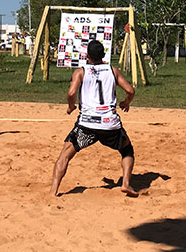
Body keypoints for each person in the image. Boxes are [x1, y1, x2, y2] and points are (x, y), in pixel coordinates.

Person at [51, 39, 138, 197]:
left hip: (87, 124)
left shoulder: (81, 72)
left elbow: (71, 93)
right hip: (110, 124)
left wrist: (71, 106)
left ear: (87, 56)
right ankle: (125, 183)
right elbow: (130, 90)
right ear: (103, 55)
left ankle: (53, 191)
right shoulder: (113, 71)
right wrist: (126, 102)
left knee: (65, 154)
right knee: (127, 150)